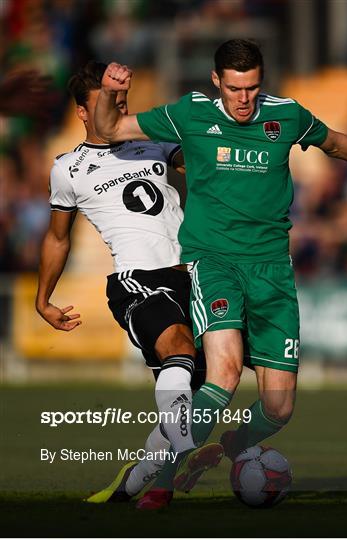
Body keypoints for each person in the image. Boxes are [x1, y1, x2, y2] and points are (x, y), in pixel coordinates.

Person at [94, 39, 347, 503]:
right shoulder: (189, 113)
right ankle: (162, 478)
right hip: (214, 261)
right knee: (223, 373)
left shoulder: (286, 114)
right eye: (234, 89)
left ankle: (229, 446)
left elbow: (335, 143)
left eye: (251, 88)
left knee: (279, 408)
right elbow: (109, 128)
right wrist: (109, 90)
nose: (244, 99)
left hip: (273, 270)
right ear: (217, 82)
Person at [35, 61, 222, 510]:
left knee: (209, 387)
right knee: (178, 348)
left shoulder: (154, 141)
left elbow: (205, 161)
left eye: (121, 98)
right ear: (83, 111)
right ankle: (185, 450)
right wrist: (44, 300)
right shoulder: (69, 169)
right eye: (107, 99)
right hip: (136, 279)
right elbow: (58, 237)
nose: (119, 104)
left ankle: (138, 479)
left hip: (195, 274)